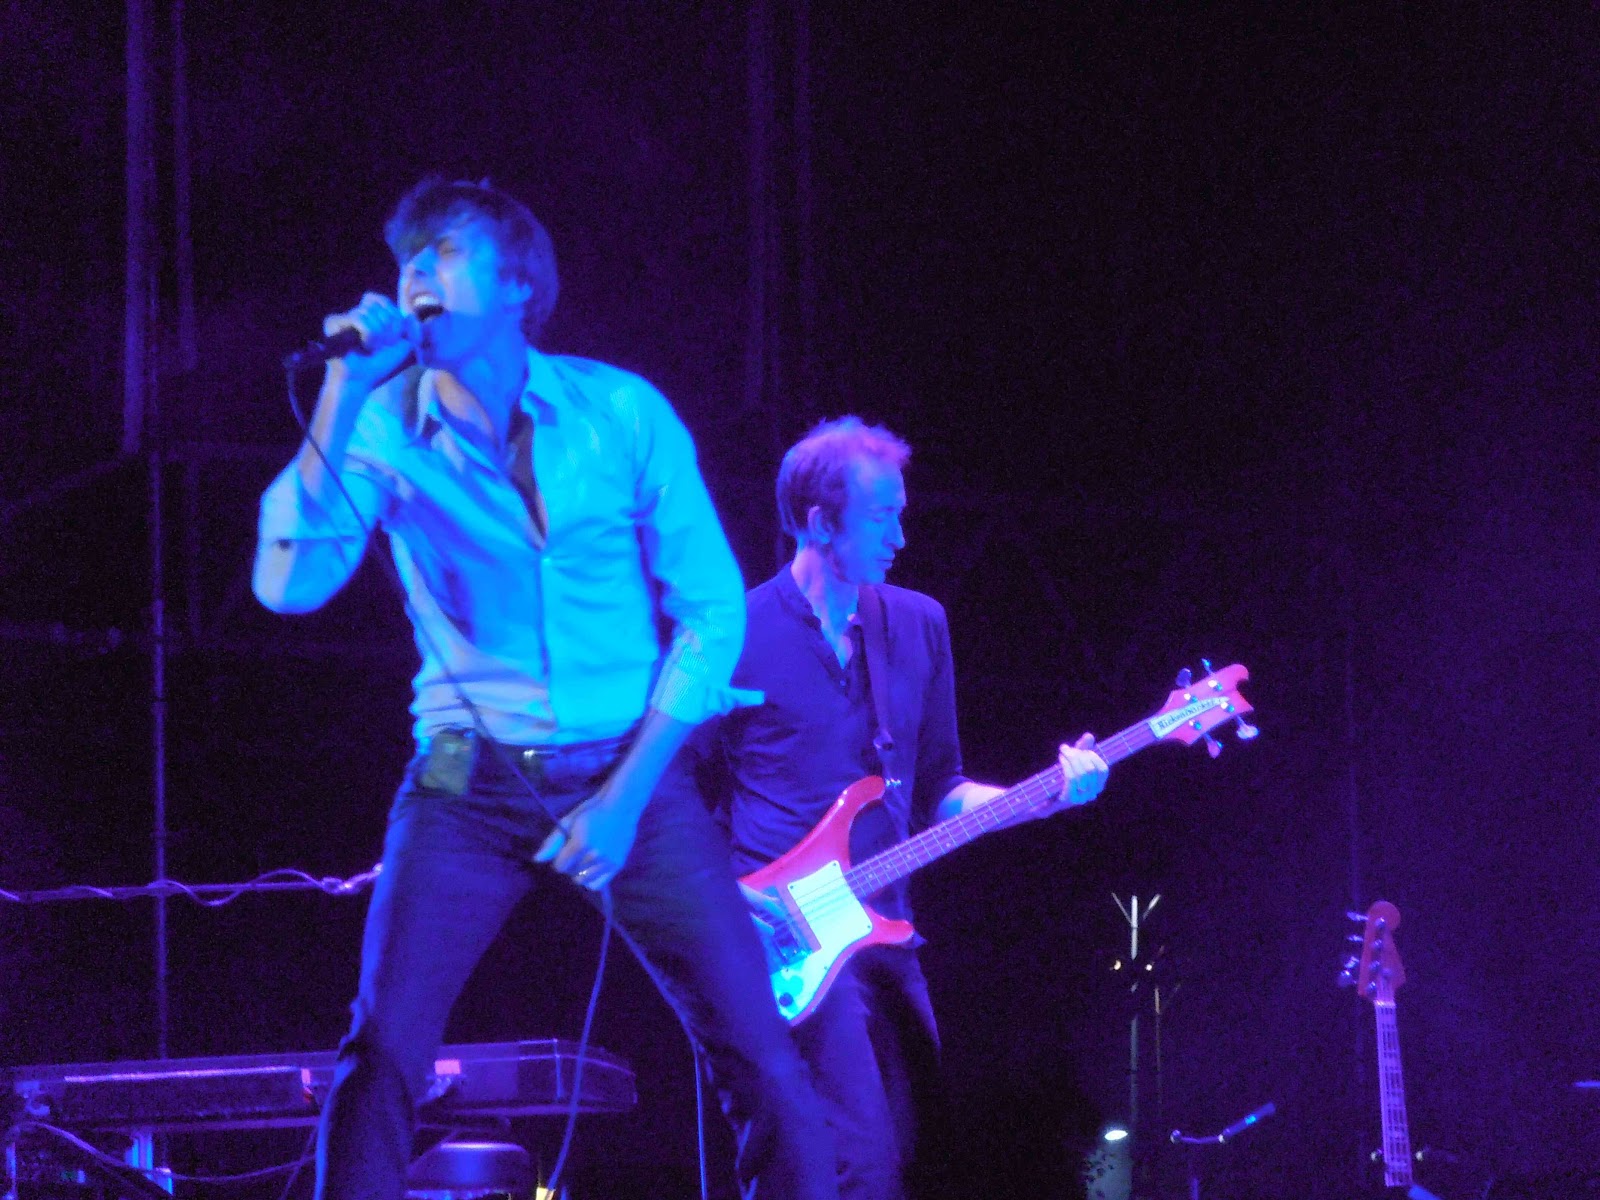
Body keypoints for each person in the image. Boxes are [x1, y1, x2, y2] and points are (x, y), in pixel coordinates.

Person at [252, 176, 836, 1200]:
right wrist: (341, 393)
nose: (415, 274)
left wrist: (624, 797)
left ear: (519, 283)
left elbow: (711, 610)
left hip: (632, 774)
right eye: (406, 259)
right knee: (382, 1048)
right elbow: (286, 585)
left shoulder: (620, 413)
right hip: (463, 780)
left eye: (443, 253)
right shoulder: (381, 425)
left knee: (762, 1056)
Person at [661, 416, 1110, 1200]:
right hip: (784, 942)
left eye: (901, 513)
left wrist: (1045, 797)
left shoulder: (918, 626)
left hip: (885, 934)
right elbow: (662, 791)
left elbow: (942, 790)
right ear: (818, 522)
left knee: (920, 1163)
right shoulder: (730, 633)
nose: (901, 537)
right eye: (881, 517)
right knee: (852, 1166)